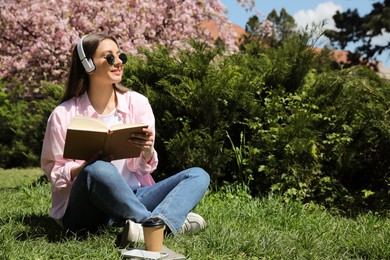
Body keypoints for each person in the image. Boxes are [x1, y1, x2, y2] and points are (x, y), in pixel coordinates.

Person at [40, 33, 210, 248]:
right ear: (87, 65)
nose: (118, 62)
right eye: (109, 57)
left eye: (120, 56)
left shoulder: (138, 103)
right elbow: (53, 170)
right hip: (86, 210)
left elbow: (140, 169)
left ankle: (145, 225)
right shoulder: (63, 114)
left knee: (197, 175)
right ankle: (160, 224)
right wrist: (83, 168)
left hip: (133, 195)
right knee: (98, 170)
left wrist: (147, 152)